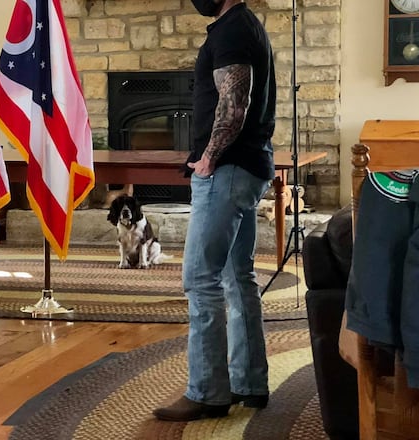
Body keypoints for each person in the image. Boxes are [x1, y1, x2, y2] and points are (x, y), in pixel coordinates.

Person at [153, 0, 276, 421]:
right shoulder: (245, 26)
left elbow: (234, 102)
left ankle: (208, 392)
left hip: (227, 170)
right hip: (249, 165)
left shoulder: (232, 30)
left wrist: (208, 158)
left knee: (199, 279)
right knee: (236, 276)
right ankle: (249, 384)